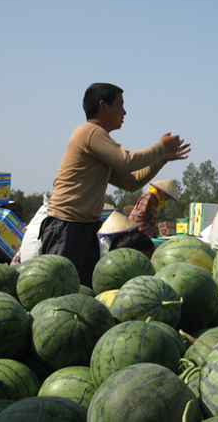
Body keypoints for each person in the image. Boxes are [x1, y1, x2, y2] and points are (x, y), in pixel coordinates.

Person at [40, 82, 191, 287]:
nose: (125, 112)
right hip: (67, 226)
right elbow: (127, 160)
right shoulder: (90, 132)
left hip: (83, 229)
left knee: (82, 291)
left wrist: (161, 159)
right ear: (103, 106)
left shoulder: (99, 143)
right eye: (120, 105)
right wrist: (159, 148)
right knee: (59, 292)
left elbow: (131, 182)